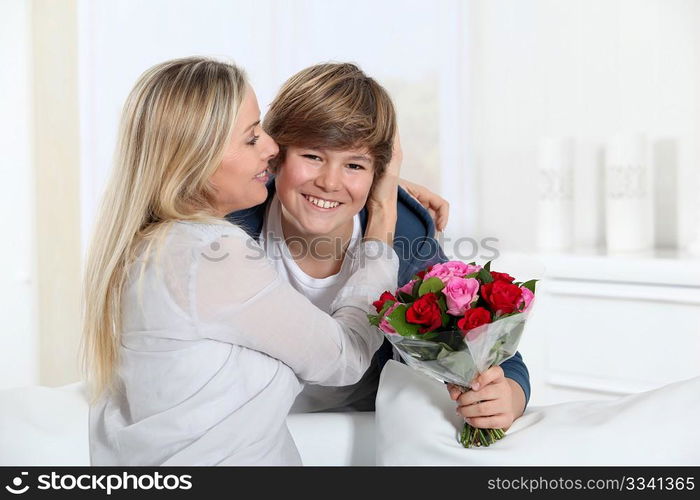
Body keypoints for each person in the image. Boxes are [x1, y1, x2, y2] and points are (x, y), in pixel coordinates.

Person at [82, 57, 403, 465]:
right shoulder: (211, 255)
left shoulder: (153, 246)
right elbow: (346, 357)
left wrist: (363, 177)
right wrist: (382, 226)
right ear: (197, 157)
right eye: (253, 139)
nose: (271, 148)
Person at [230, 63, 531, 429]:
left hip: (362, 429)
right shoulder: (236, 218)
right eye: (312, 156)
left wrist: (509, 394)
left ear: (379, 174)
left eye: (354, 165)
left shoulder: (403, 230)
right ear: (276, 155)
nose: (329, 182)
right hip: (255, 427)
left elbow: (483, 347)